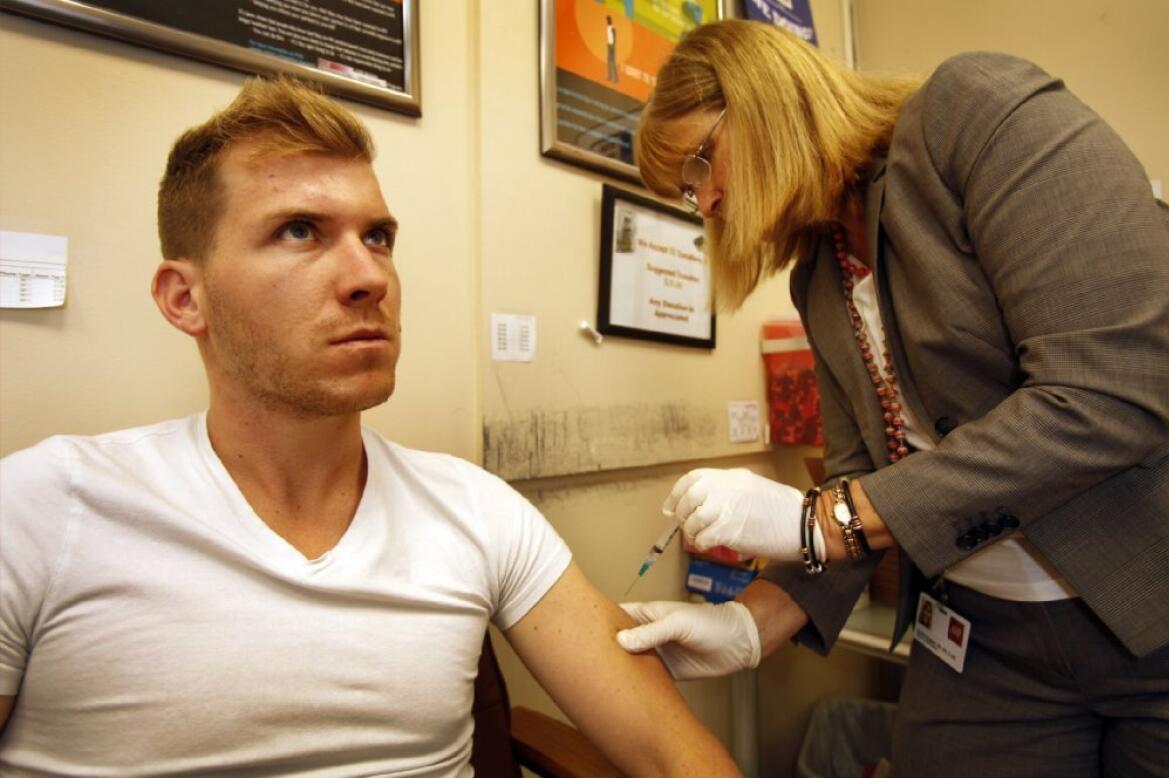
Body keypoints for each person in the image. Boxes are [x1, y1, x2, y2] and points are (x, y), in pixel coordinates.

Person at [0, 78, 739, 777]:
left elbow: (674, 755)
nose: (370, 277)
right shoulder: (43, 509)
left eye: (378, 237)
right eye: (299, 231)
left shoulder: (477, 512)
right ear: (185, 299)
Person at [617, 19, 1169, 776]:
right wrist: (748, 624)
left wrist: (818, 520)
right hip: (984, 640)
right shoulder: (818, 280)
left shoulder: (977, 114)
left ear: (763, 102)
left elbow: (1110, 390)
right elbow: (859, 486)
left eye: (699, 165)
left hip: (1168, 610)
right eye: (686, 193)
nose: (705, 202)